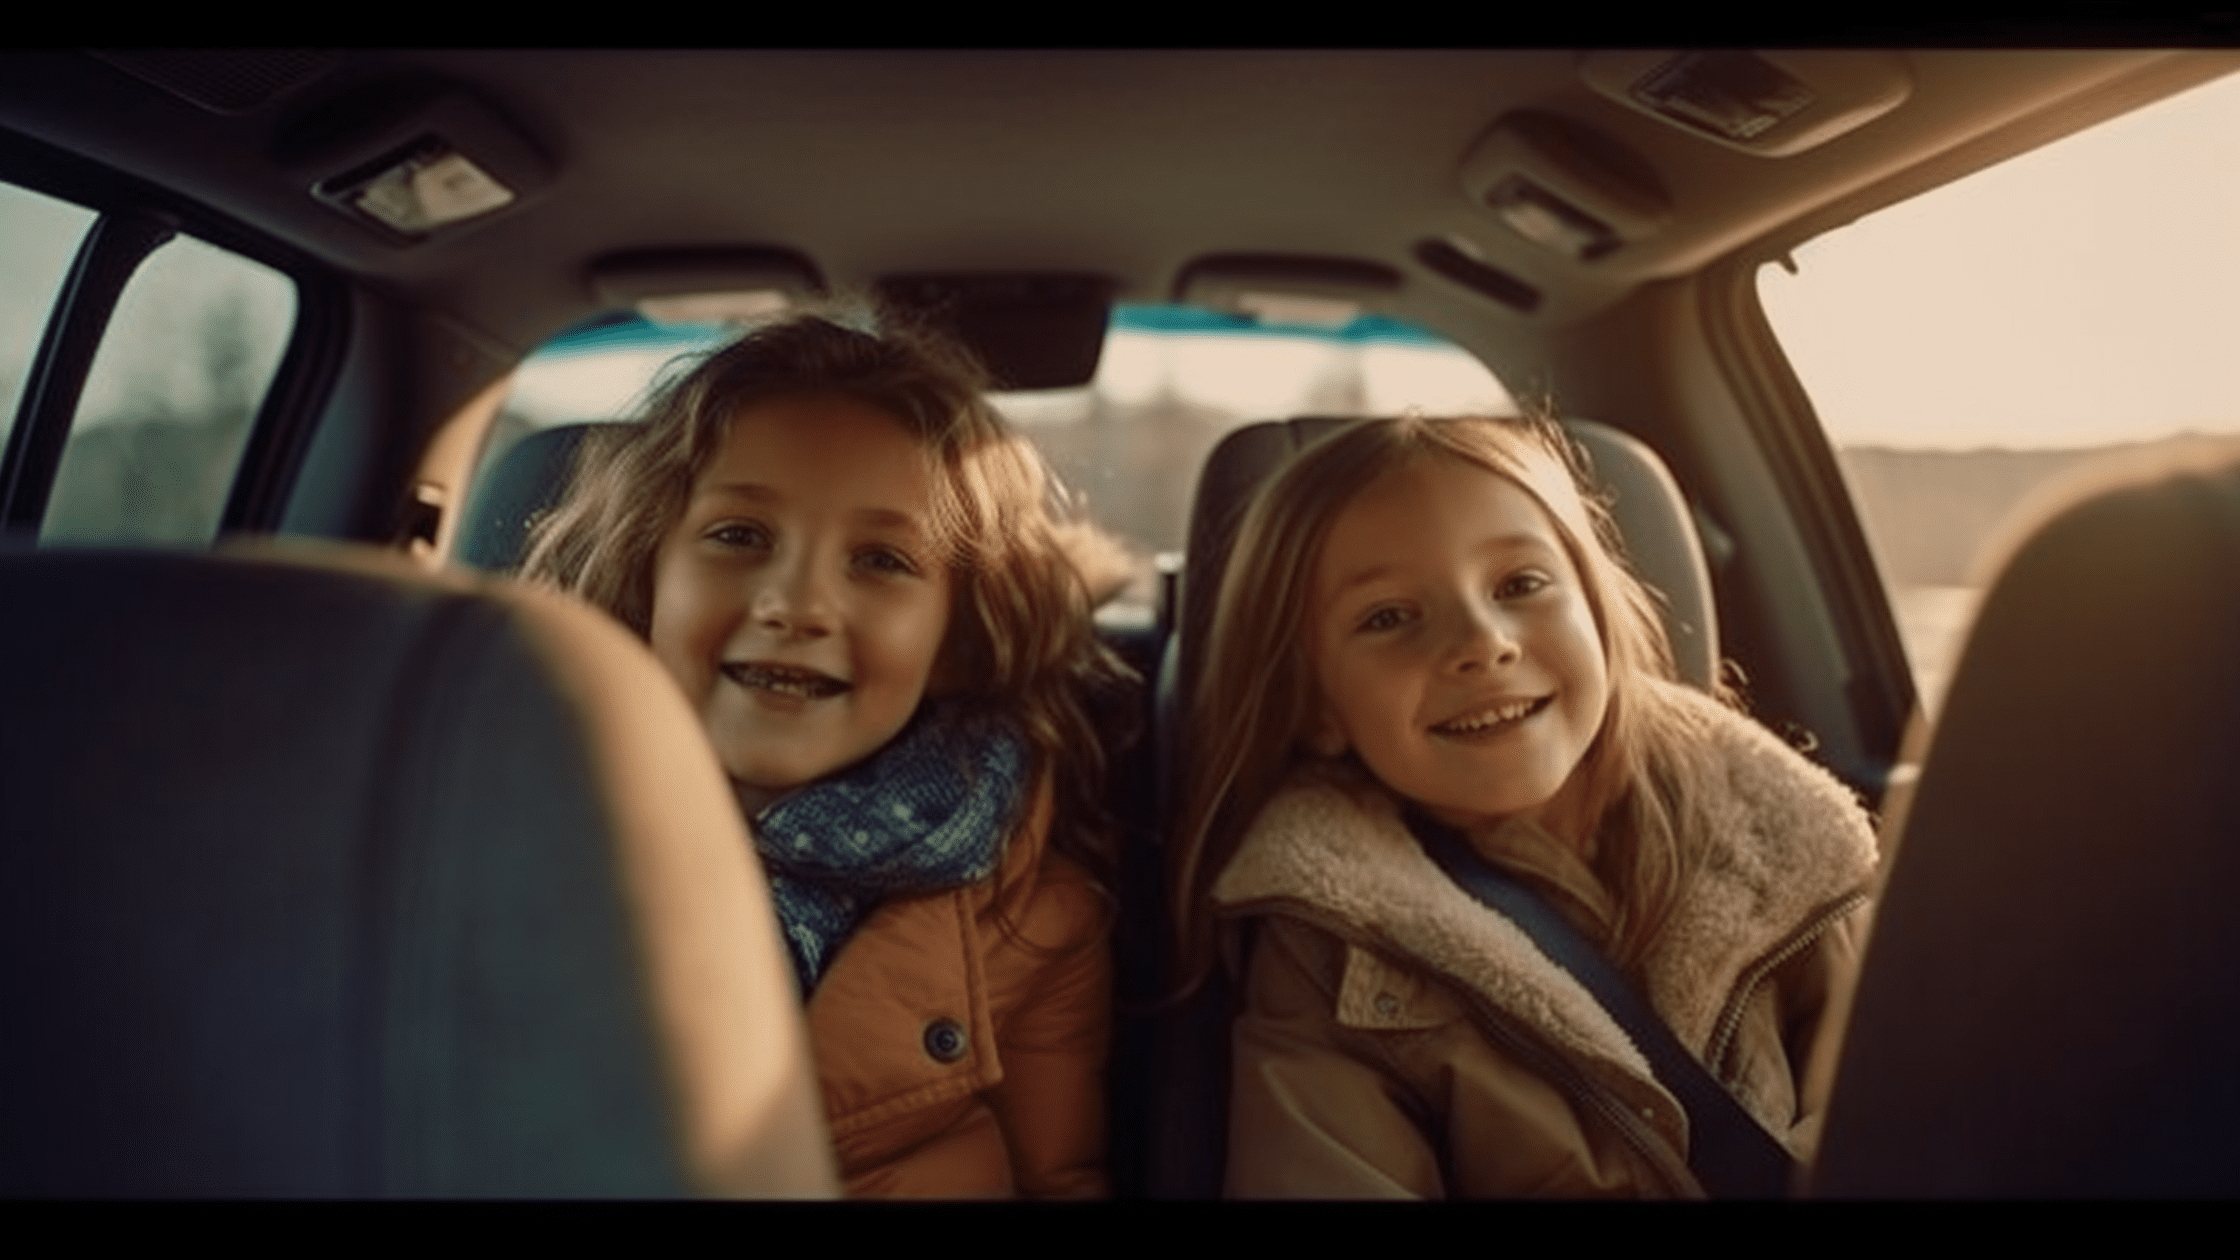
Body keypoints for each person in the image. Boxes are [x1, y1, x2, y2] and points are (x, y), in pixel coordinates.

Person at [1169, 413, 1878, 1198]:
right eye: (1389, 617)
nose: (1482, 641)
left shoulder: (1785, 846)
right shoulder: (1329, 946)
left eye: (1520, 585)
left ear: (1601, 619)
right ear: (1316, 707)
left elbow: (1914, 1111)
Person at [522, 310, 1129, 1198]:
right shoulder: (503, 837)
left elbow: (1059, 1179)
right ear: (644, 575)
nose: (797, 604)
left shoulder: (1040, 921)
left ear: (956, 641)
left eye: (880, 560)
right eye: (739, 536)